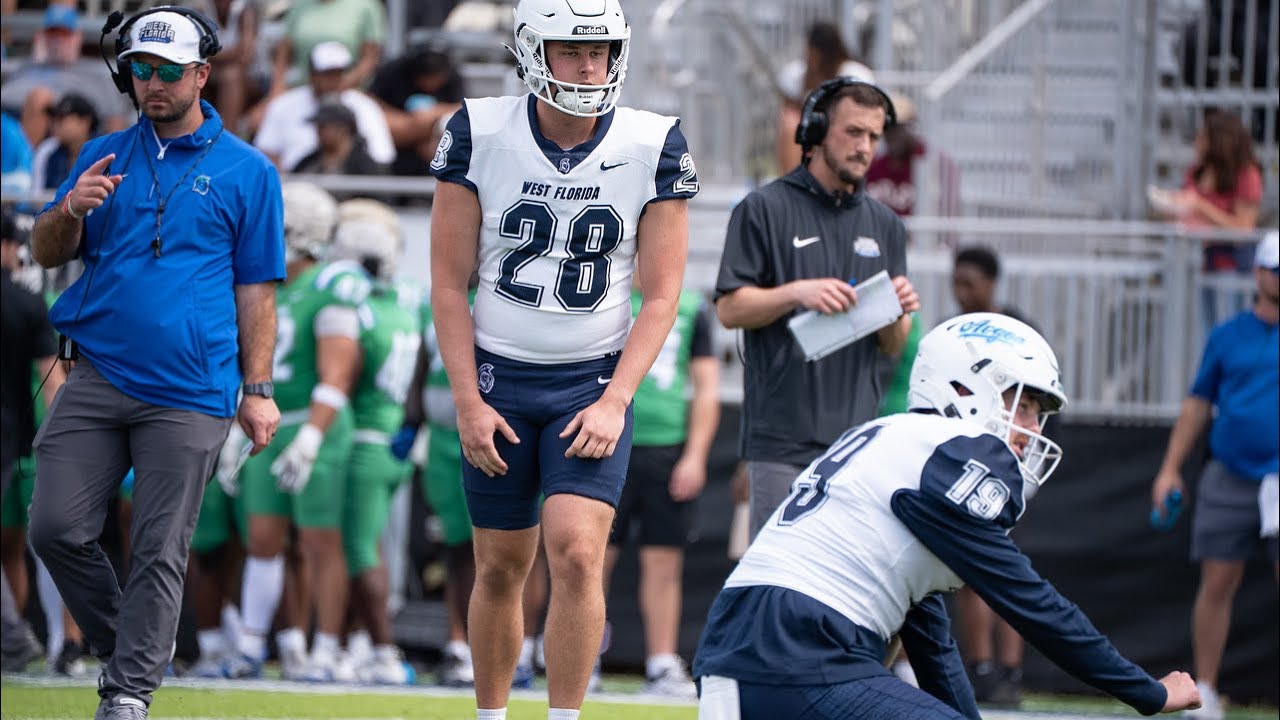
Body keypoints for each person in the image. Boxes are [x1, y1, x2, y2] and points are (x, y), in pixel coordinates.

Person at [693, 312, 1204, 720]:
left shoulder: (895, 441)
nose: (1030, 428)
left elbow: (932, 643)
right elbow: (1027, 599)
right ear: (963, 388)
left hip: (741, 650)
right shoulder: (952, 452)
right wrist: (1144, 690)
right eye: (1022, 405)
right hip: (797, 651)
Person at [428, 0, 699, 717]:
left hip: (591, 378)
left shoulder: (653, 141)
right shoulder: (479, 130)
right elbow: (449, 286)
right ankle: (491, 713)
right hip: (498, 378)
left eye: (601, 50)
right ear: (530, 50)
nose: (589, 66)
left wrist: (615, 400)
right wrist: (467, 401)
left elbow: (664, 296)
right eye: (571, 51)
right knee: (501, 565)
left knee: (577, 553)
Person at [23, 9, 285, 717]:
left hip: (194, 389)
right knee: (51, 527)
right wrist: (69, 210)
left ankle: (128, 691)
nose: (154, 82)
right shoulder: (100, 154)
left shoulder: (250, 172)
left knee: (160, 547)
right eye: (141, 68)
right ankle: (140, 643)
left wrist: (256, 390)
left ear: (202, 74)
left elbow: (257, 291)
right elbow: (46, 252)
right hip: (98, 370)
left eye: (169, 70)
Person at [715, 78, 919, 541]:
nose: (865, 146)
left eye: (873, 135)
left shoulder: (886, 225)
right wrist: (797, 293)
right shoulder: (762, 208)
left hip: (857, 446)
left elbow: (893, 344)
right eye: (853, 132)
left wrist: (898, 311)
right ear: (817, 130)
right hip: (781, 443)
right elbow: (729, 309)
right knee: (778, 589)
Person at [218, 181, 363, 683]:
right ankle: (253, 646)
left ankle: (325, 648)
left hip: (310, 425)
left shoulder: (333, 283)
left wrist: (312, 437)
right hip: (265, 420)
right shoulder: (265, 282)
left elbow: (338, 372)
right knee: (262, 537)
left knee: (322, 541)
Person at [1150, 230, 1279, 720]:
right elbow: (1198, 403)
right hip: (1230, 474)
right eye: (1276, 271)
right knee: (1217, 581)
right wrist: (1169, 469)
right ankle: (1205, 690)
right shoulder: (1227, 336)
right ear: (1260, 273)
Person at [601, 282, 719, 698]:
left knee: (664, 562)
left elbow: (707, 387)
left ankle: (660, 662)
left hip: (665, 448)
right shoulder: (606, 294)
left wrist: (695, 455)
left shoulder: (688, 306)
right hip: (606, 440)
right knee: (591, 558)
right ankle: (583, 655)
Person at [329, 206, 422, 685]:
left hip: (366, 438)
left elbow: (343, 374)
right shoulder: (404, 301)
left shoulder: (359, 307)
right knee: (372, 548)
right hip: (395, 440)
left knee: (359, 548)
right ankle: (356, 643)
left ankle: (384, 650)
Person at [947, 244, 1036, 705]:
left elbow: (1041, 404)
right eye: (956, 282)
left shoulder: (1021, 334)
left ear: (991, 282)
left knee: (1010, 569)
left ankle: (1011, 671)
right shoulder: (956, 335)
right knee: (968, 570)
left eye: (969, 282)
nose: (961, 292)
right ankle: (982, 670)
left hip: (1012, 465)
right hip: (964, 464)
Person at [0, 209, 58, 673]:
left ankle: (15, 638)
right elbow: (51, 380)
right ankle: (15, 638)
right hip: (11, 438)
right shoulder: (27, 304)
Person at [0, 4, 131, 147]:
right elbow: (5, 97)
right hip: (15, 128)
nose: (57, 41)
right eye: (52, 34)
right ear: (41, 37)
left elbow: (115, 119)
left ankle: (25, 165)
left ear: (78, 38)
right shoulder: (27, 67)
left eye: (64, 34)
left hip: (73, 137)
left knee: (40, 98)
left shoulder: (95, 73)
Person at [254, 41, 395, 173]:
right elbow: (266, 158)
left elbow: (382, 159)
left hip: (355, 192)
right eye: (327, 74)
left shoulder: (366, 106)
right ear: (312, 74)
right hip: (296, 188)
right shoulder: (282, 105)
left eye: (338, 73)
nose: (333, 80)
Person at [774, 22, 875, 176]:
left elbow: (864, 114)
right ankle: (792, 184)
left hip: (845, 131)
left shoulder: (855, 74)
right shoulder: (796, 75)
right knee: (789, 124)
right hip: (810, 133)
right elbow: (790, 111)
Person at [369, 45, 465, 175]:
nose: (429, 85)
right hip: (393, 145)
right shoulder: (393, 72)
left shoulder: (453, 77)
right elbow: (371, 104)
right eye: (426, 79)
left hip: (431, 149)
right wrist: (411, 124)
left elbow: (461, 107)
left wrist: (432, 114)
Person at [292, 100, 388, 178]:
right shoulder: (309, 162)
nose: (318, 132)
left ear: (343, 128)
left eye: (323, 127)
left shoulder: (366, 167)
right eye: (318, 127)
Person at [30, 93, 99, 193]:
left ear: (84, 122)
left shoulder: (105, 151)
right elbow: (40, 198)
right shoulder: (50, 153)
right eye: (54, 118)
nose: (55, 123)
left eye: (62, 118)